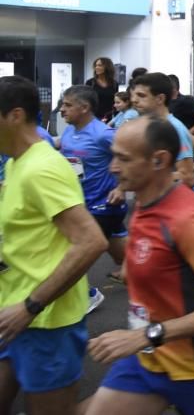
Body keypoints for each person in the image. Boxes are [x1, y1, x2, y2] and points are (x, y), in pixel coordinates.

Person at [84, 117, 194, 415]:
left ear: (159, 160)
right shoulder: (143, 200)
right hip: (148, 360)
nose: (112, 166)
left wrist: (147, 334)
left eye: (123, 159)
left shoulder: (188, 220)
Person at [0, 76, 107, 414]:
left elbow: (91, 242)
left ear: (15, 115)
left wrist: (31, 305)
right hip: (11, 312)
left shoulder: (41, 168)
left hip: (46, 323)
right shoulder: (17, 163)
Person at [58, 85, 127, 309]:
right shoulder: (70, 130)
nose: (62, 110)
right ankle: (149, 275)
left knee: (75, 250)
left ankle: (88, 295)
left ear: (84, 107)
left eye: (67, 105)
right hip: (80, 200)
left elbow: (130, 157)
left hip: (104, 204)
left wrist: (122, 188)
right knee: (121, 256)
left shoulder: (103, 134)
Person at [130, 73, 194, 190]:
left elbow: (187, 177)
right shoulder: (149, 125)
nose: (134, 100)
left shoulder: (174, 128)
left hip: (178, 204)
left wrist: (145, 177)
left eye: (141, 95)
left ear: (160, 98)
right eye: (133, 95)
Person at [86, 56, 118, 122]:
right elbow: (86, 100)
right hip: (93, 116)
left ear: (107, 67)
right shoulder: (90, 82)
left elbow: (115, 101)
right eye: (96, 65)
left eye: (100, 65)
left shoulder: (114, 83)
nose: (96, 68)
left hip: (108, 117)